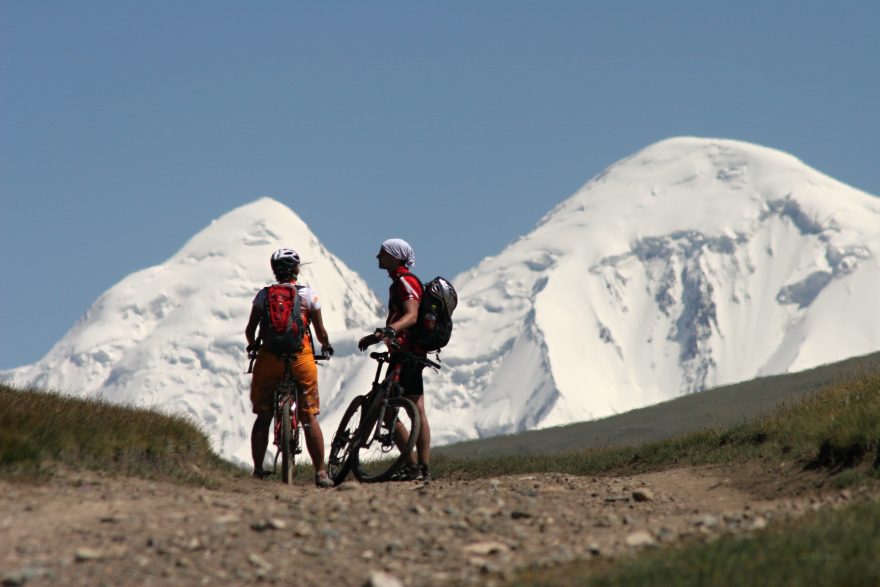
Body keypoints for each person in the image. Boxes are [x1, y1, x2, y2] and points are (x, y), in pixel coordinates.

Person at [245, 248, 335, 487]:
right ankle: (321, 473)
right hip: (301, 357)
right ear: (297, 270)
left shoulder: (264, 296)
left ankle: (257, 470)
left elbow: (249, 331)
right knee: (309, 416)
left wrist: (254, 346)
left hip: (269, 358)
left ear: (275, 271)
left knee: (263, 416)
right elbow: (320, 332)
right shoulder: (308, 296)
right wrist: (325, 346)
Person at [358, 238, 431, 481]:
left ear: (395, 257)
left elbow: (411, 315)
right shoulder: (398, 282)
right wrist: (376, 336)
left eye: (383, 253)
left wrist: (392, 330)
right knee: (399, 410)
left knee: (412, 410)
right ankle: (416, 467)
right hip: (406, 352)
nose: (377, 257)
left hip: (408, 353)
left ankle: (418, 467)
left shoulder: (404, 281)